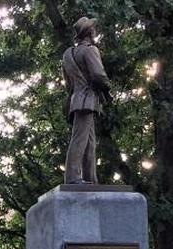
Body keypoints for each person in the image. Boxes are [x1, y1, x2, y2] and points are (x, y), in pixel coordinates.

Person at [61, 16, 110, 185]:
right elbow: (98, 75)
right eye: (93, 29)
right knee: (79, 139)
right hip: (88, 99)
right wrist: (107, 87)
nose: (95, 31)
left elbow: (68, 84)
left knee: (89, 143)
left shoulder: (68, 54)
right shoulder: (90, 50)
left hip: (76, 99)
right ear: (89, 32)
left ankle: (91, 179)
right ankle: (73, 178)